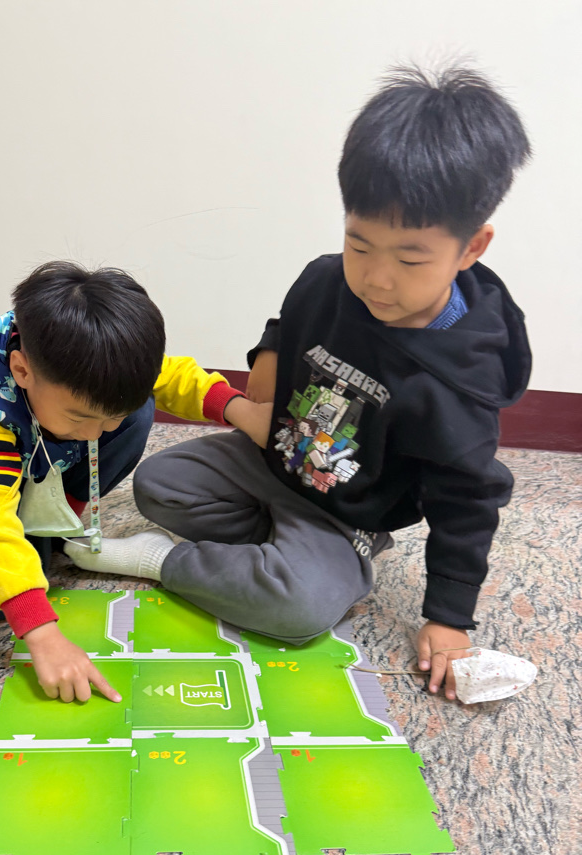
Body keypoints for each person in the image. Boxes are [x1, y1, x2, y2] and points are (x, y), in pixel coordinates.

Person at [65, 63, 533, 702]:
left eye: (410, 258)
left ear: (472, 247)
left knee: (300, 609)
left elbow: (468, 503)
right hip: (275, 460)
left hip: (348, 512)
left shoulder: (459, 386)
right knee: (158, 485)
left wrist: (449, 617)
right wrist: (268, 351)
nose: (376, 279)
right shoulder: (327, 277)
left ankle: (169, 561)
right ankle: (280, 551)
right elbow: (295, 318)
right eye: (359, 245)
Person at [0, 261, 248, 702]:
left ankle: (58, 525)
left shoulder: (98, 359)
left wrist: (239, 409)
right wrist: (43, 635)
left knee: (135, 410)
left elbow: (170, 376)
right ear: (22, 370)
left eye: (105, 420)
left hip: (42, 454)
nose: (95, 434)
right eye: (79, 417)